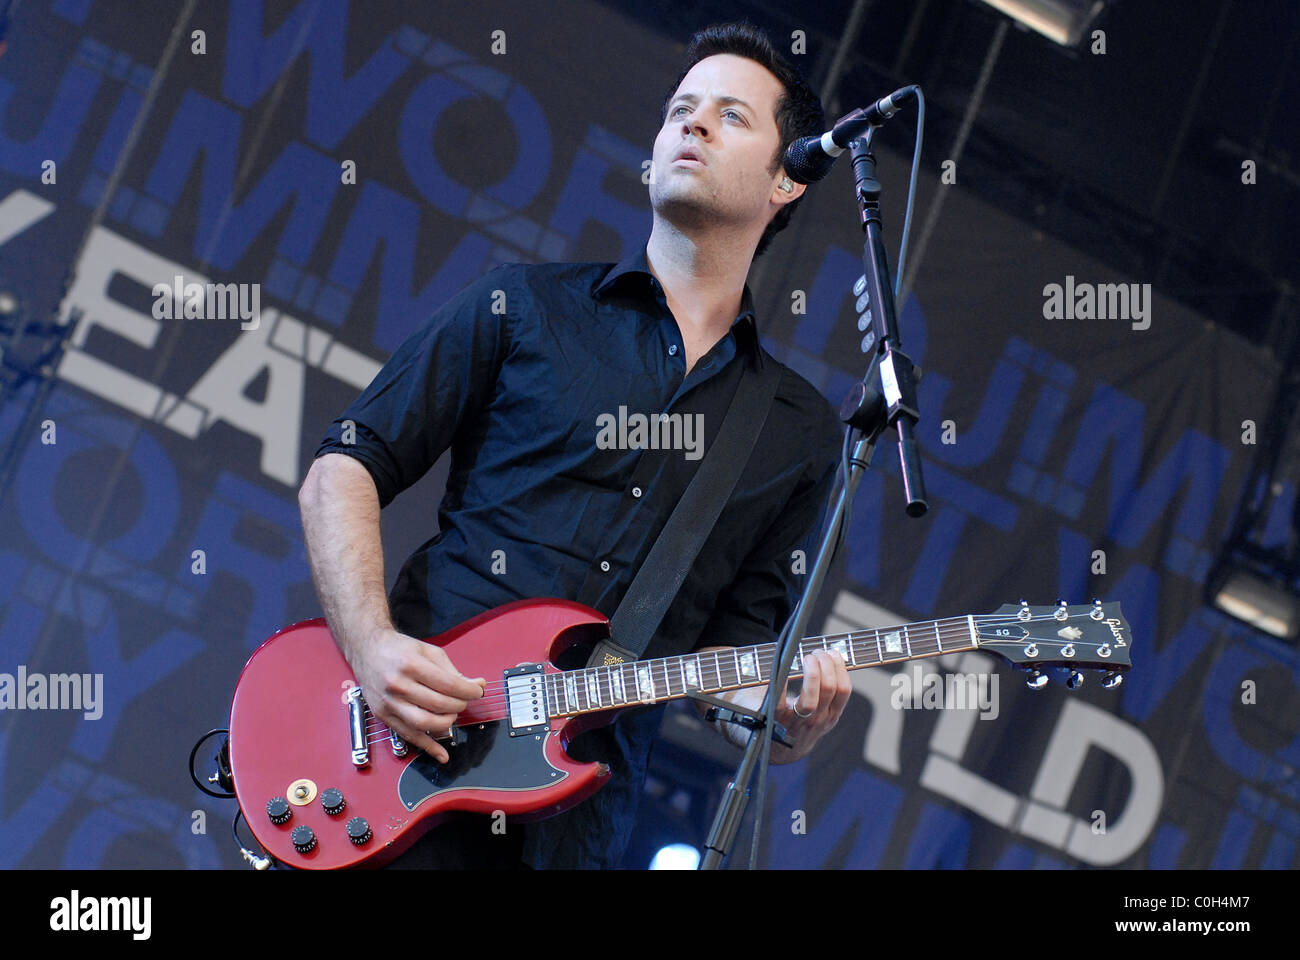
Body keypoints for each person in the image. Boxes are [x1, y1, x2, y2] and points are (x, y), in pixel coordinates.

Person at [299, 20, 852, 869]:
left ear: (787, 180)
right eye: (680, 110)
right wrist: (373, 648)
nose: (692, 125)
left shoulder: (797, 429)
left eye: (731, 116)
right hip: (401, 755)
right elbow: (343, 468)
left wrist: (790, 725)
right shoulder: (523, 307)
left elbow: (732, 670)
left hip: (569, 829)